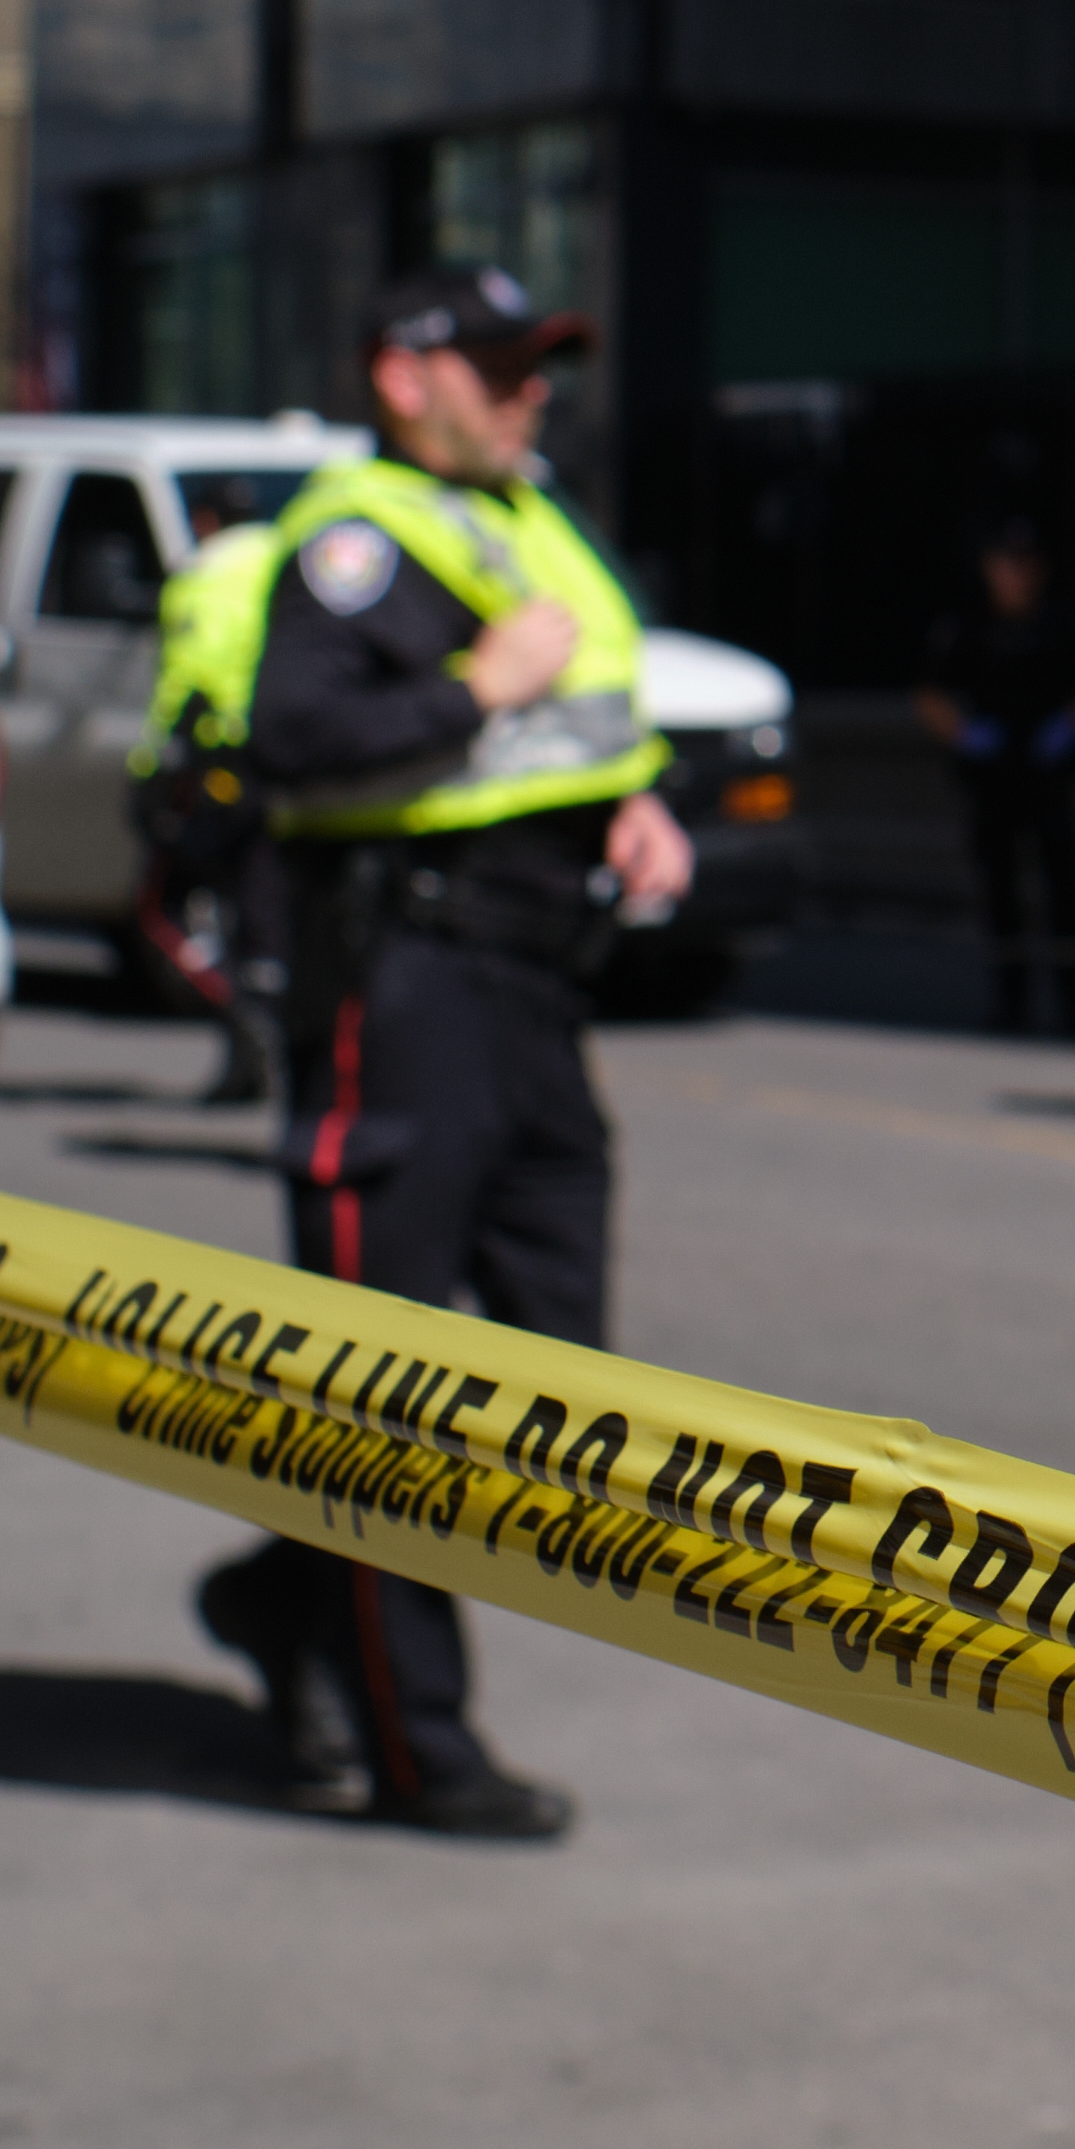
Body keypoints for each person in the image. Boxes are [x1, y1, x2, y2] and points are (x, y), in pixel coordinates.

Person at [187, 265, 692, 1846]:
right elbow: (293, 738)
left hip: (539, 988)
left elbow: (592, 723)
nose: (534, 392)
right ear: (404, 378)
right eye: (500, 367)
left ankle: (287, 1595)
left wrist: (632, 802)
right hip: (403, 985)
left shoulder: (533, 525)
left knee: (555, 1396)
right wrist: (479, 685)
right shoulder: (353, 542)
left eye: (542, 366)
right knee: (390, 1384)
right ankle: (419, 1748)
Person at [909, 523, 1075, 1035]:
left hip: (1049, 776)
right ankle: (1011, 1006)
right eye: (1006, 563)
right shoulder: (967, 626)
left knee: (1064, 890)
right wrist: (965, 735)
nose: (1016, 575)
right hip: (992, 777)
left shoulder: (1064, 625)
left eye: (1025, 564)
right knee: (1001, 893)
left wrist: (1067, 726)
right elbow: (929, 694)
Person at [126, 504, 289, 1106]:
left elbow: (185, 678)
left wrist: (152, 771)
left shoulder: (207, 570)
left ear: (205, 519)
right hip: (287, 764)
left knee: (171, 908)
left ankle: (252, 1027)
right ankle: (256, 1048)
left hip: (221, 763)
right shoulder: (289, 553)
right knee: (268, 912)